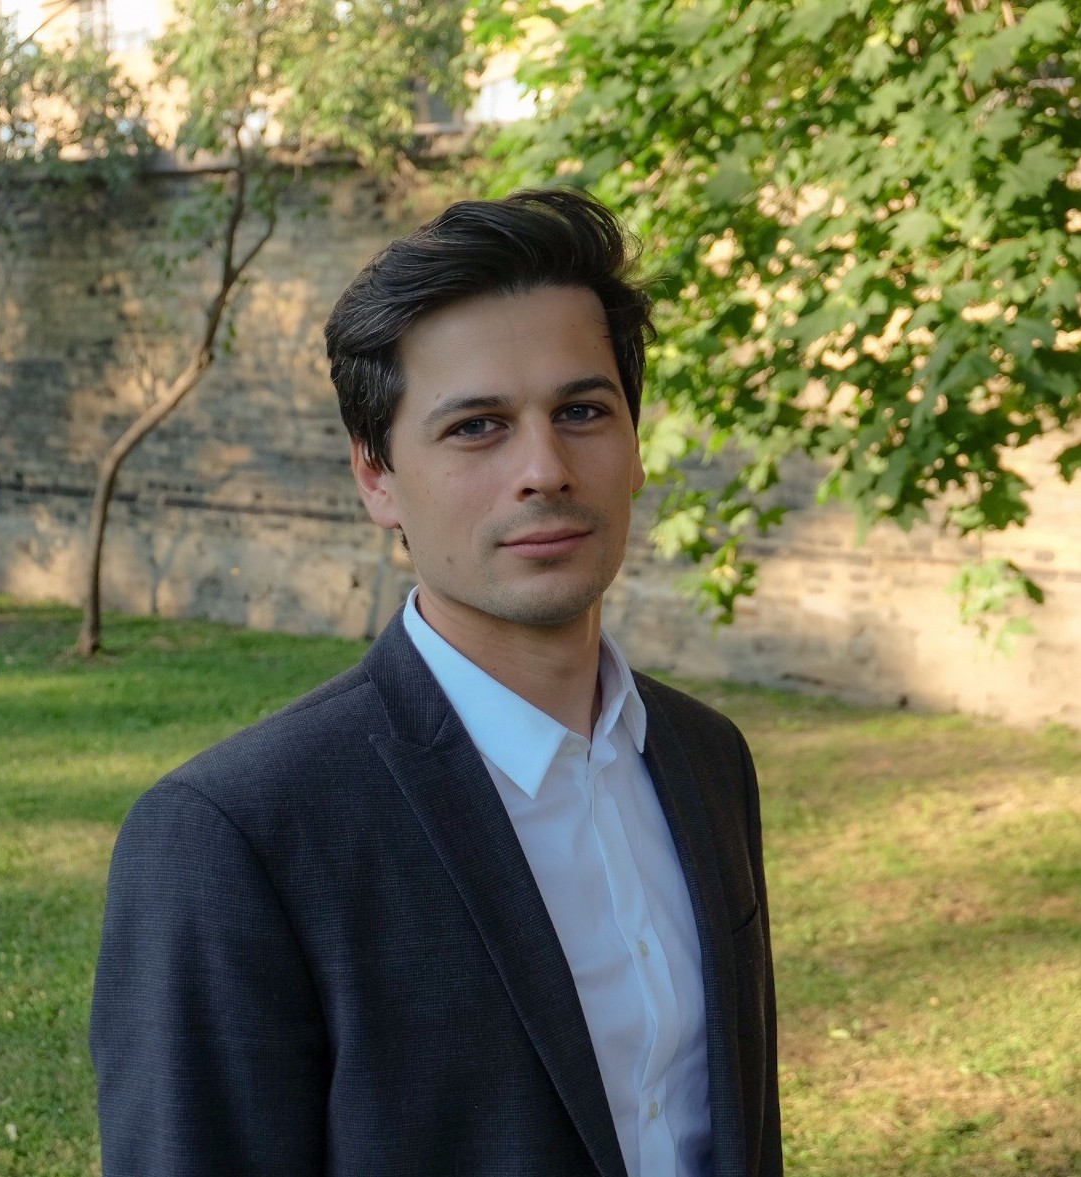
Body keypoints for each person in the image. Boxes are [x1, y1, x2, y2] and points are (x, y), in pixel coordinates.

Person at [90, 188, 782, 1177]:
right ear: (377, 476)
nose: (543, 468)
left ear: (634, 447)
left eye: (581, 410)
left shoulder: (706, 759)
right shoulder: (237, 834)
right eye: (477, 427)